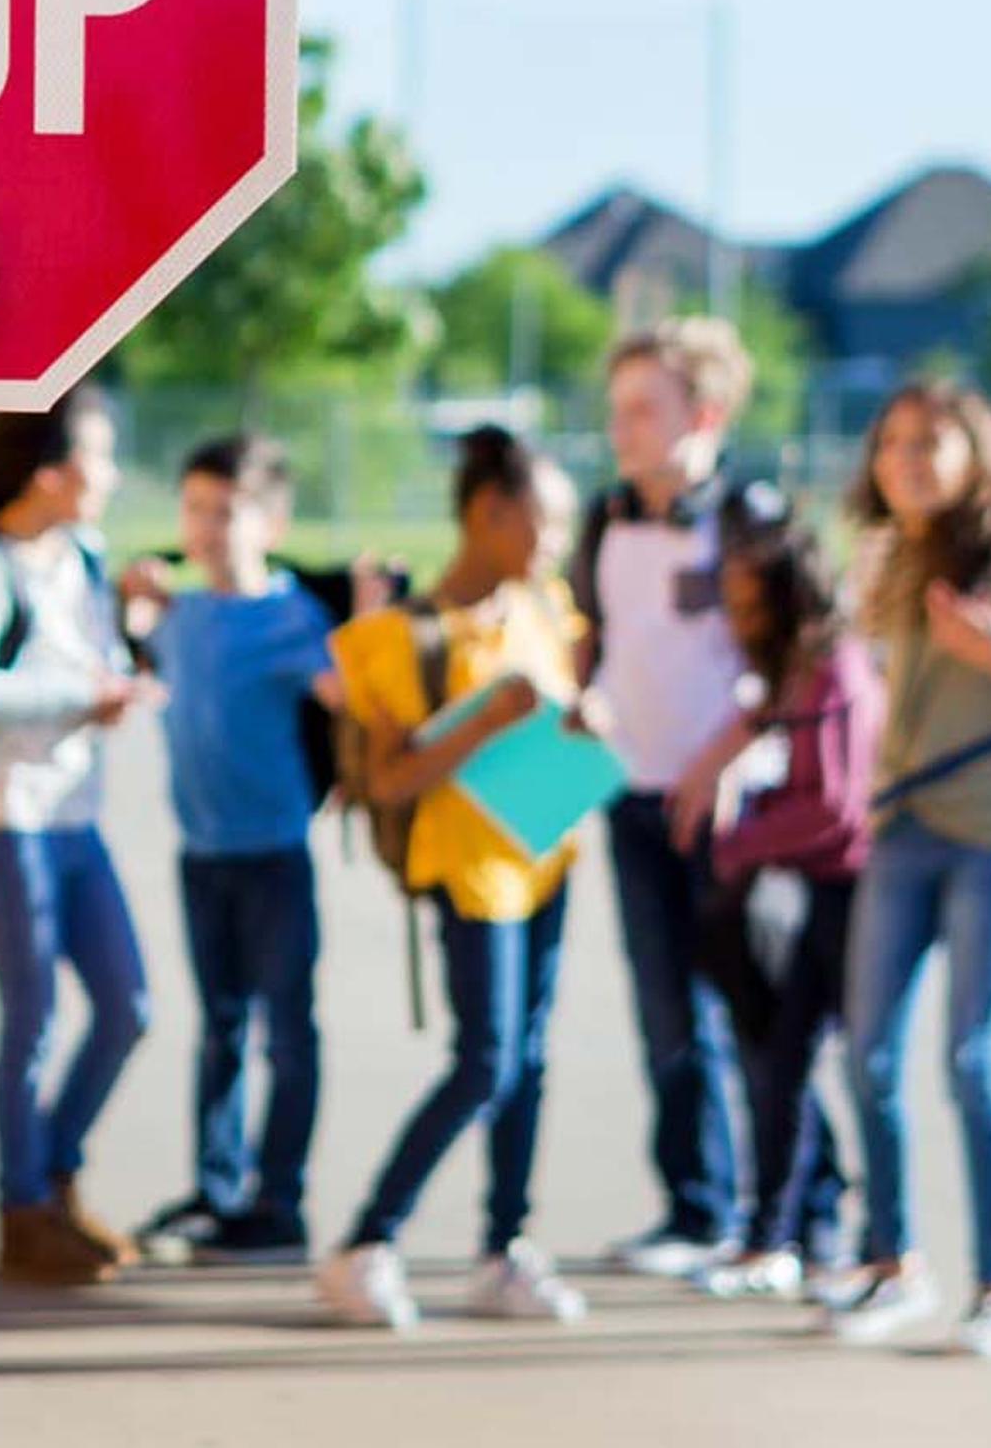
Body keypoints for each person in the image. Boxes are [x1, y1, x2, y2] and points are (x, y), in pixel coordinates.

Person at [821, 377, 991, 1361]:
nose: (909, 459)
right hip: (898, 827)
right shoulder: (878, 554)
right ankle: (893, 1260)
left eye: (933, 442)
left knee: (969, 1060)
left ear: (977, 453)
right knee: (869, 1055)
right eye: (894, 441)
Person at [569, 317, 846, 1279]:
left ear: (709, 414)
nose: (625, 427)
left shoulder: (751, 519)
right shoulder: (604, 518)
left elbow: (803, 662)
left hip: (737, 813)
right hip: (631, 797)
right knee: (666, 1020)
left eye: (646, 408)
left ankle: (813, 1211)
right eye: (618, 409)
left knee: (763, 1017)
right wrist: (586, 700)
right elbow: (594, 636)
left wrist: (723, 759)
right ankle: (696, 1207)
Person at [312, 427, 595, 1333]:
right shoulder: (402, 638)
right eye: (545, 522)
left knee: (530, 1058)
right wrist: (479, 725)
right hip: (469, 870)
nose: (555, 543)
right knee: (486, 1060)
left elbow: (565, 705)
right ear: (489, 512)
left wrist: (584, 721)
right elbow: (386, 778)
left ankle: (503, 1248)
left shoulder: (543, 606)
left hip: (545, 851)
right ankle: (367, 1241)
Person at [0, 390, 158, 1287]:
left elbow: (91, 659)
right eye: (101, 456)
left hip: (77, 816)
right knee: (34, 1018)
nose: (113, 476)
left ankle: (53, 1174)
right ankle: (21, 1210)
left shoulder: (80, 554)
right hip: (5, 820)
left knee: (127, 1007)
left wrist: (123, 669)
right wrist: (80, 699)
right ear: (51, 472)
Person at [114, 437, 352, 1263]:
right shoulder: (181, 614)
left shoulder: (294, 616)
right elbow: (141, 659)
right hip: (202, 854)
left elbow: (350, 697)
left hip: (274, 855)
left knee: (287, 1030)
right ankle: (218, 1189)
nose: (208, 529)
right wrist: (133, 613)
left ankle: (278, 1201)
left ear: (273, 520)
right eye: (195, 510)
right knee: (219, 1027)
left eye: (228, 511)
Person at [669, 520, 880, 1305]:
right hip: (809, 890)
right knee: (780, 1062)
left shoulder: (837, 673)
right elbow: (753, 727)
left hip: (851, 894)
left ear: (792, 598)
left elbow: (834, 806)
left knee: (850, 1068)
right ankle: (782, 1235)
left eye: (751, 603)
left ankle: (855, 1243)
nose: (736, 619)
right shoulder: (796, 674)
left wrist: (741, 842)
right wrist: (708, 776)